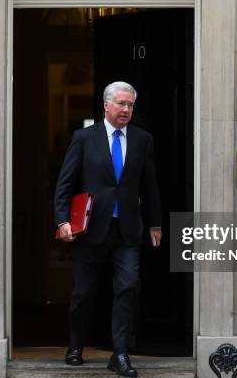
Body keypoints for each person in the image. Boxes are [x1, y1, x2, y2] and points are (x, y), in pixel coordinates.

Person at [54, 81, 162, 377]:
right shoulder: (83, 138)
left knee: (128, 287)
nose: (126, 109)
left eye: (130, 105)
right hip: (89, 230)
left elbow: (149, 185)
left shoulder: (143, 139)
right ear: (106, 105)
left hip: (127, 230)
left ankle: (121, 353)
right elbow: (65, 182)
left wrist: (155, 223)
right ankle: (76, 345)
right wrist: (62, 220)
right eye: (121, 104)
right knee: (84, 293)